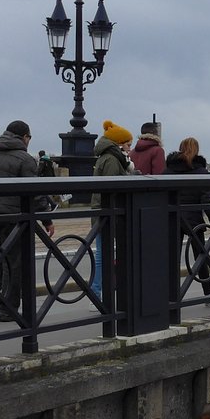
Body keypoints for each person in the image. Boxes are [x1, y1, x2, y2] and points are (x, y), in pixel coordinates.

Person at [0, 120, 56, 321]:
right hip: (12, 215)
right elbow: (35, 194)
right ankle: (7, 308)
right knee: (13, 261)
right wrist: (47, 219)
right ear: (25, 137)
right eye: (29, 138)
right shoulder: (24, 159)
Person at [165, 137, 210, 296]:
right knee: (200, 256)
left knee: (172, 258)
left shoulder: (168, 171)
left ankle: (172, 295)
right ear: (197, 151)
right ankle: (207, 292)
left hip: (172, 217)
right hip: (194, 220)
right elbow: (206, 199)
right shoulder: (201, 172)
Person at [91, 120, 134, 297]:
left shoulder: (108, 157)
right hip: (107, 212)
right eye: (128, 145)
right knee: (103, 254)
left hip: (102, 210)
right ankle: (97, 290)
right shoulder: (112, 160)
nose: (130, 149)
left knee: (105, 252)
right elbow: (111, 189)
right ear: (120, 144)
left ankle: (102, 289)